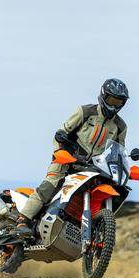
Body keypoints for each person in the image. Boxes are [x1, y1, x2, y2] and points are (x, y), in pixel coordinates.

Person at [14, 78, 129, 239]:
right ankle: (23, 220)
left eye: (118, 102)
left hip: (93, 168)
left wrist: (122, 169)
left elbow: (118, 152)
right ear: (103, 96)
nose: (114, 105)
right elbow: (62, 133)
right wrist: (60, 153)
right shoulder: (85, 112)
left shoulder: (120, 127)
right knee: (51, 184)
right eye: (112, 100)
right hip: (69, 160)